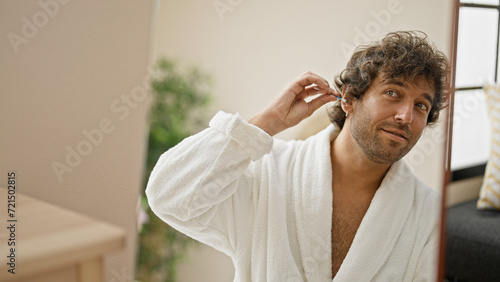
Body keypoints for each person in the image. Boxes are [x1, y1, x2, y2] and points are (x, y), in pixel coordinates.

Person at [146, 30, 449, 281]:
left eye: (421, 105)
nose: (406, 115)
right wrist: (265, 123)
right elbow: (169, 196)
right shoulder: (269, 172)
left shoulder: (429, 215)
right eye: (393, 93)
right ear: (349, 99)